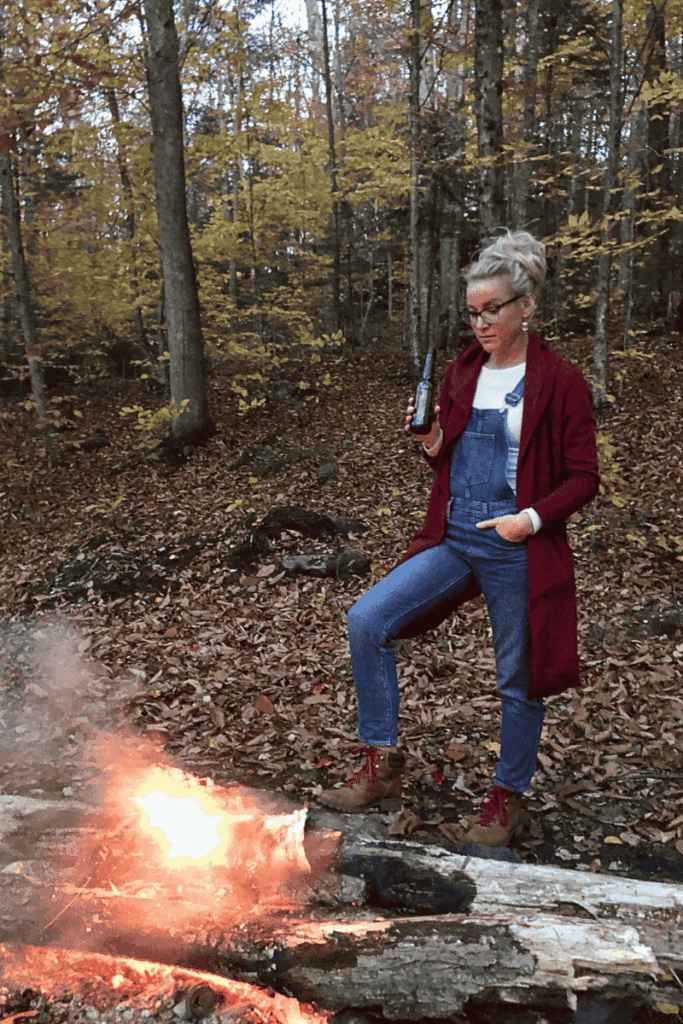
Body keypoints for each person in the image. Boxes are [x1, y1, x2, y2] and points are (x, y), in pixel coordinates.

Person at [319, 230, 600, 846]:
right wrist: (432, 444)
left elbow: (584, 479)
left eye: (492, 310)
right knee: (368, 619)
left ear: (525, 305)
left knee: (517, 675)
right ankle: (381, 763)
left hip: (518, 542)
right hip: (454, 535)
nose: (481, 324)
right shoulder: (462, 372)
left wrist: (529, 520)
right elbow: (451, 461)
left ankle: (507, 798)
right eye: (473, 313)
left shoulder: (561, 381)